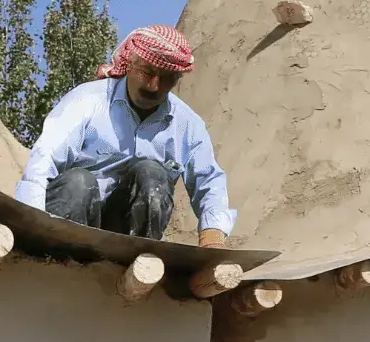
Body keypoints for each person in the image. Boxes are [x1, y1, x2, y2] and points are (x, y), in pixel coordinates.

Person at [16, 24, 234, 246]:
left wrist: (213, 237)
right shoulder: (87, 100)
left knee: (152, 174)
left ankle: (139, 260)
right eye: (147, 72)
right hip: (71, 225)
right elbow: (44, 158)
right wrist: (30, 220)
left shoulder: (187, 124)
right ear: (130, 63)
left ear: (177, 78)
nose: (153, 85)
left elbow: (209, 181)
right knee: (79, 182)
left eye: (166, 77)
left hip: (127, 237)